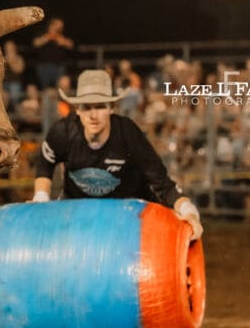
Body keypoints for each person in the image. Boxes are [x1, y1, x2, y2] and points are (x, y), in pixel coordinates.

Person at [29, 69, 203, 240]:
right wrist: (40, 198)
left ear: (111, 108)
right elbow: (44, 165)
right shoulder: (62, 132)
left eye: (99, 107)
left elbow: (162, 183)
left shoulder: (128, 134)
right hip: (78, 210)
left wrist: (189, 211)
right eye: (87, 107)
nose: (93, 115)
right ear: (78, 110)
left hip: (128, 214)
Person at [31, 17, 74, 89]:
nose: (61, 26)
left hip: (59, 66)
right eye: (59, 24)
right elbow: (35, 43)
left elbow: (71, 44)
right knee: (45, 88)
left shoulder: (61, 34)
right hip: (44, 66)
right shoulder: (42, 32)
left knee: (61, 87)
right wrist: (47, 37)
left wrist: (63, 41)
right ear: (52, 25)